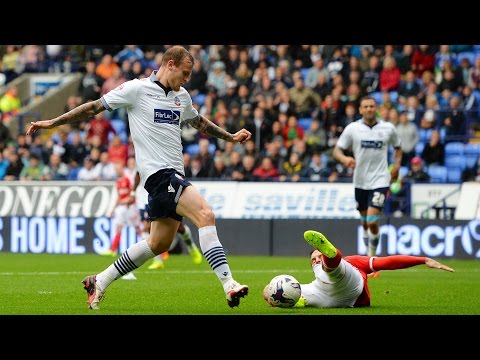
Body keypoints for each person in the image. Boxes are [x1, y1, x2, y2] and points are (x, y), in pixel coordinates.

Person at [26, 45, 251, 310]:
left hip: (171, 176)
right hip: (159, 175)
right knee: (205, 214)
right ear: (170, 64)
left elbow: (199, 122)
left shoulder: (183, 97)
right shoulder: (136, 89)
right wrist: (53, 123)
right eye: (185, 73)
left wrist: (231, 136)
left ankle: (99, 280)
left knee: (158, 243)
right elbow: (94, 108)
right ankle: (229, 284)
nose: (187, 80)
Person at [263, 230, 454, 308]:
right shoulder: (312, 283)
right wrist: (270, 295)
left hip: (352, 287)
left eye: (319, 255)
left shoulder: (354, 262)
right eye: (314, 258)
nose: (316, 260)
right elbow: (269, 292)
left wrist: (423, 260)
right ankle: (299, 300)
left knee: (334, 270)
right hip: (323, 293)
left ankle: (333, 256)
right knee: (299, 288)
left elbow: (386, 263)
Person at [333, 96, 402, 259]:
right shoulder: (353, 128)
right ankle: (369, 253)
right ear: (360, 110)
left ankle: (371, 257)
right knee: (364, 222)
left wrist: (397, 166)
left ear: (376, 108)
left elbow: (398, 148)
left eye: (372, 106)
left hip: (380, 179)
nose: (369, 109)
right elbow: (337, 151)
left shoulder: (388, 128)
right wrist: (345, 159)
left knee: (371, 220)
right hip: (360, 181)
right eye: (366, 106)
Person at [130, 171, 203, 269]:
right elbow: (138, 173)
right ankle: (158, 261)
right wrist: (133, 191)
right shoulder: (143, 159)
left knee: (179, 227)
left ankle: (191, 247)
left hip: (166, 189)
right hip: (147, 196)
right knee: (149, 227)